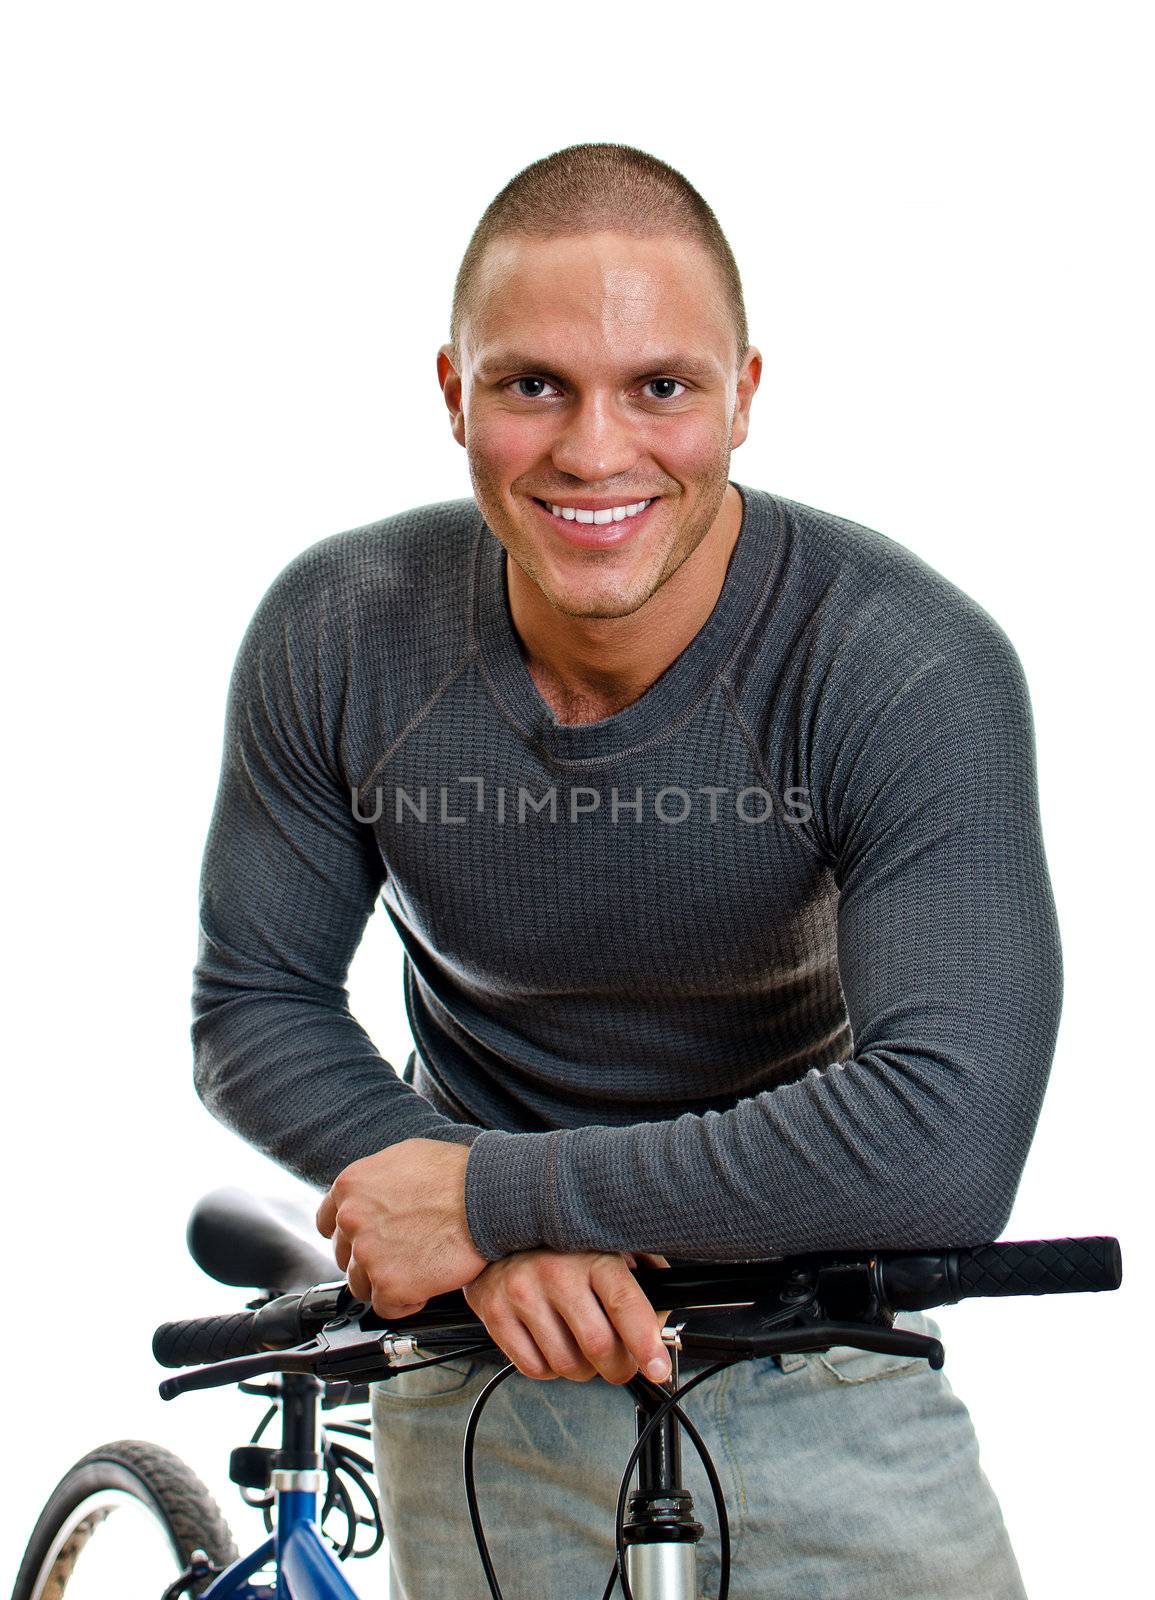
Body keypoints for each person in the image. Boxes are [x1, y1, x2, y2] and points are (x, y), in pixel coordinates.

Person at [191, 143, 1061, 1598]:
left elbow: (945, 1138)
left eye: (661, 386)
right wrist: (490, 1245)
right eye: (535, 385)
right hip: (482, 1362)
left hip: (814, 1343)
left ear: (745, 394)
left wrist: (497, 1201)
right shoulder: (338, 628)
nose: (596, 452)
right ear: (455, 393)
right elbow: (254, 1004)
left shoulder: (907, 665)